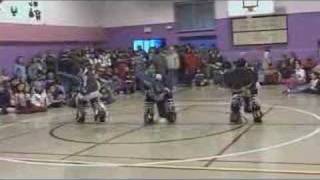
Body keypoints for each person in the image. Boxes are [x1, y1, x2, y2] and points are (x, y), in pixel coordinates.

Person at [224, 58, 263, 124]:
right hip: (249, 91)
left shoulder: (230, 73)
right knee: (254, 102)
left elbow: (226, 83)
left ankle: (235, 116)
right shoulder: (250, 72)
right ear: (245, 64)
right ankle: (256, 115)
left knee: (235, 102)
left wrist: (234, 88)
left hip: (239, 91)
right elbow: (255, 81)